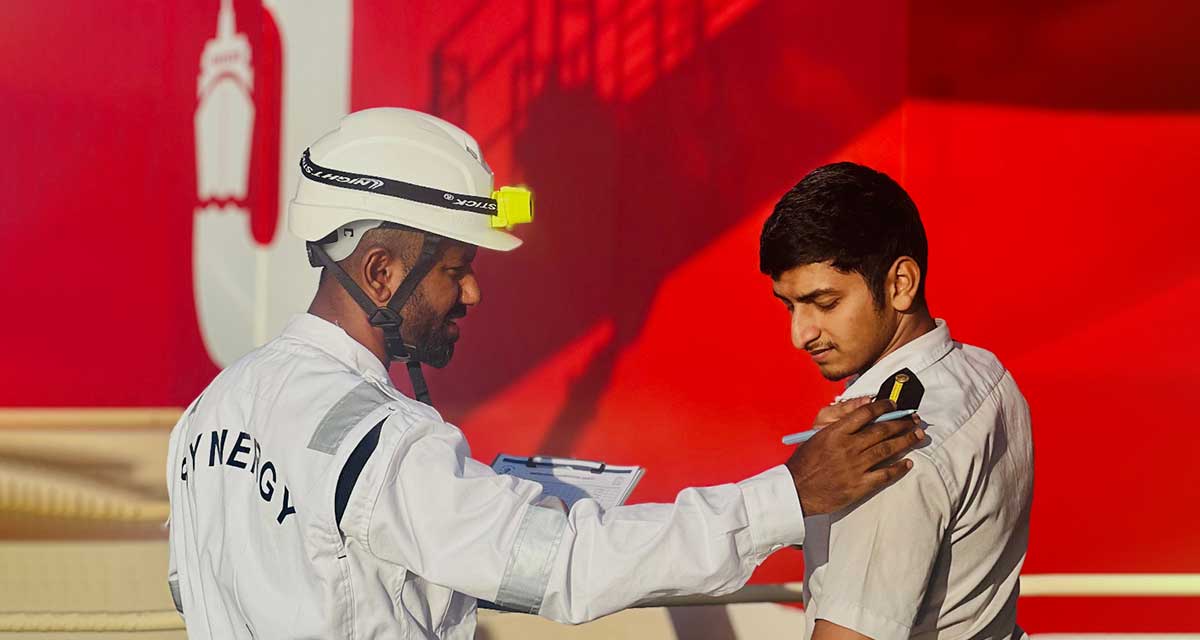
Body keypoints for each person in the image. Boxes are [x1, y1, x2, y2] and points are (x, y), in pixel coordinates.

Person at [165, 108, 925, 639]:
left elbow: (198, 585)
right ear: (381, 271)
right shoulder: (384, 444)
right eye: (455, 269)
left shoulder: (209, 412)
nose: (471, 293)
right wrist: (786, 497)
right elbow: (565, 564)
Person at [759, 162, 1034, 640]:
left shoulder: (884, 451)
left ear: (900, 283)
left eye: (824, 303)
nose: (799, 335)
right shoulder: (984, 370)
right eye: (789, 306)